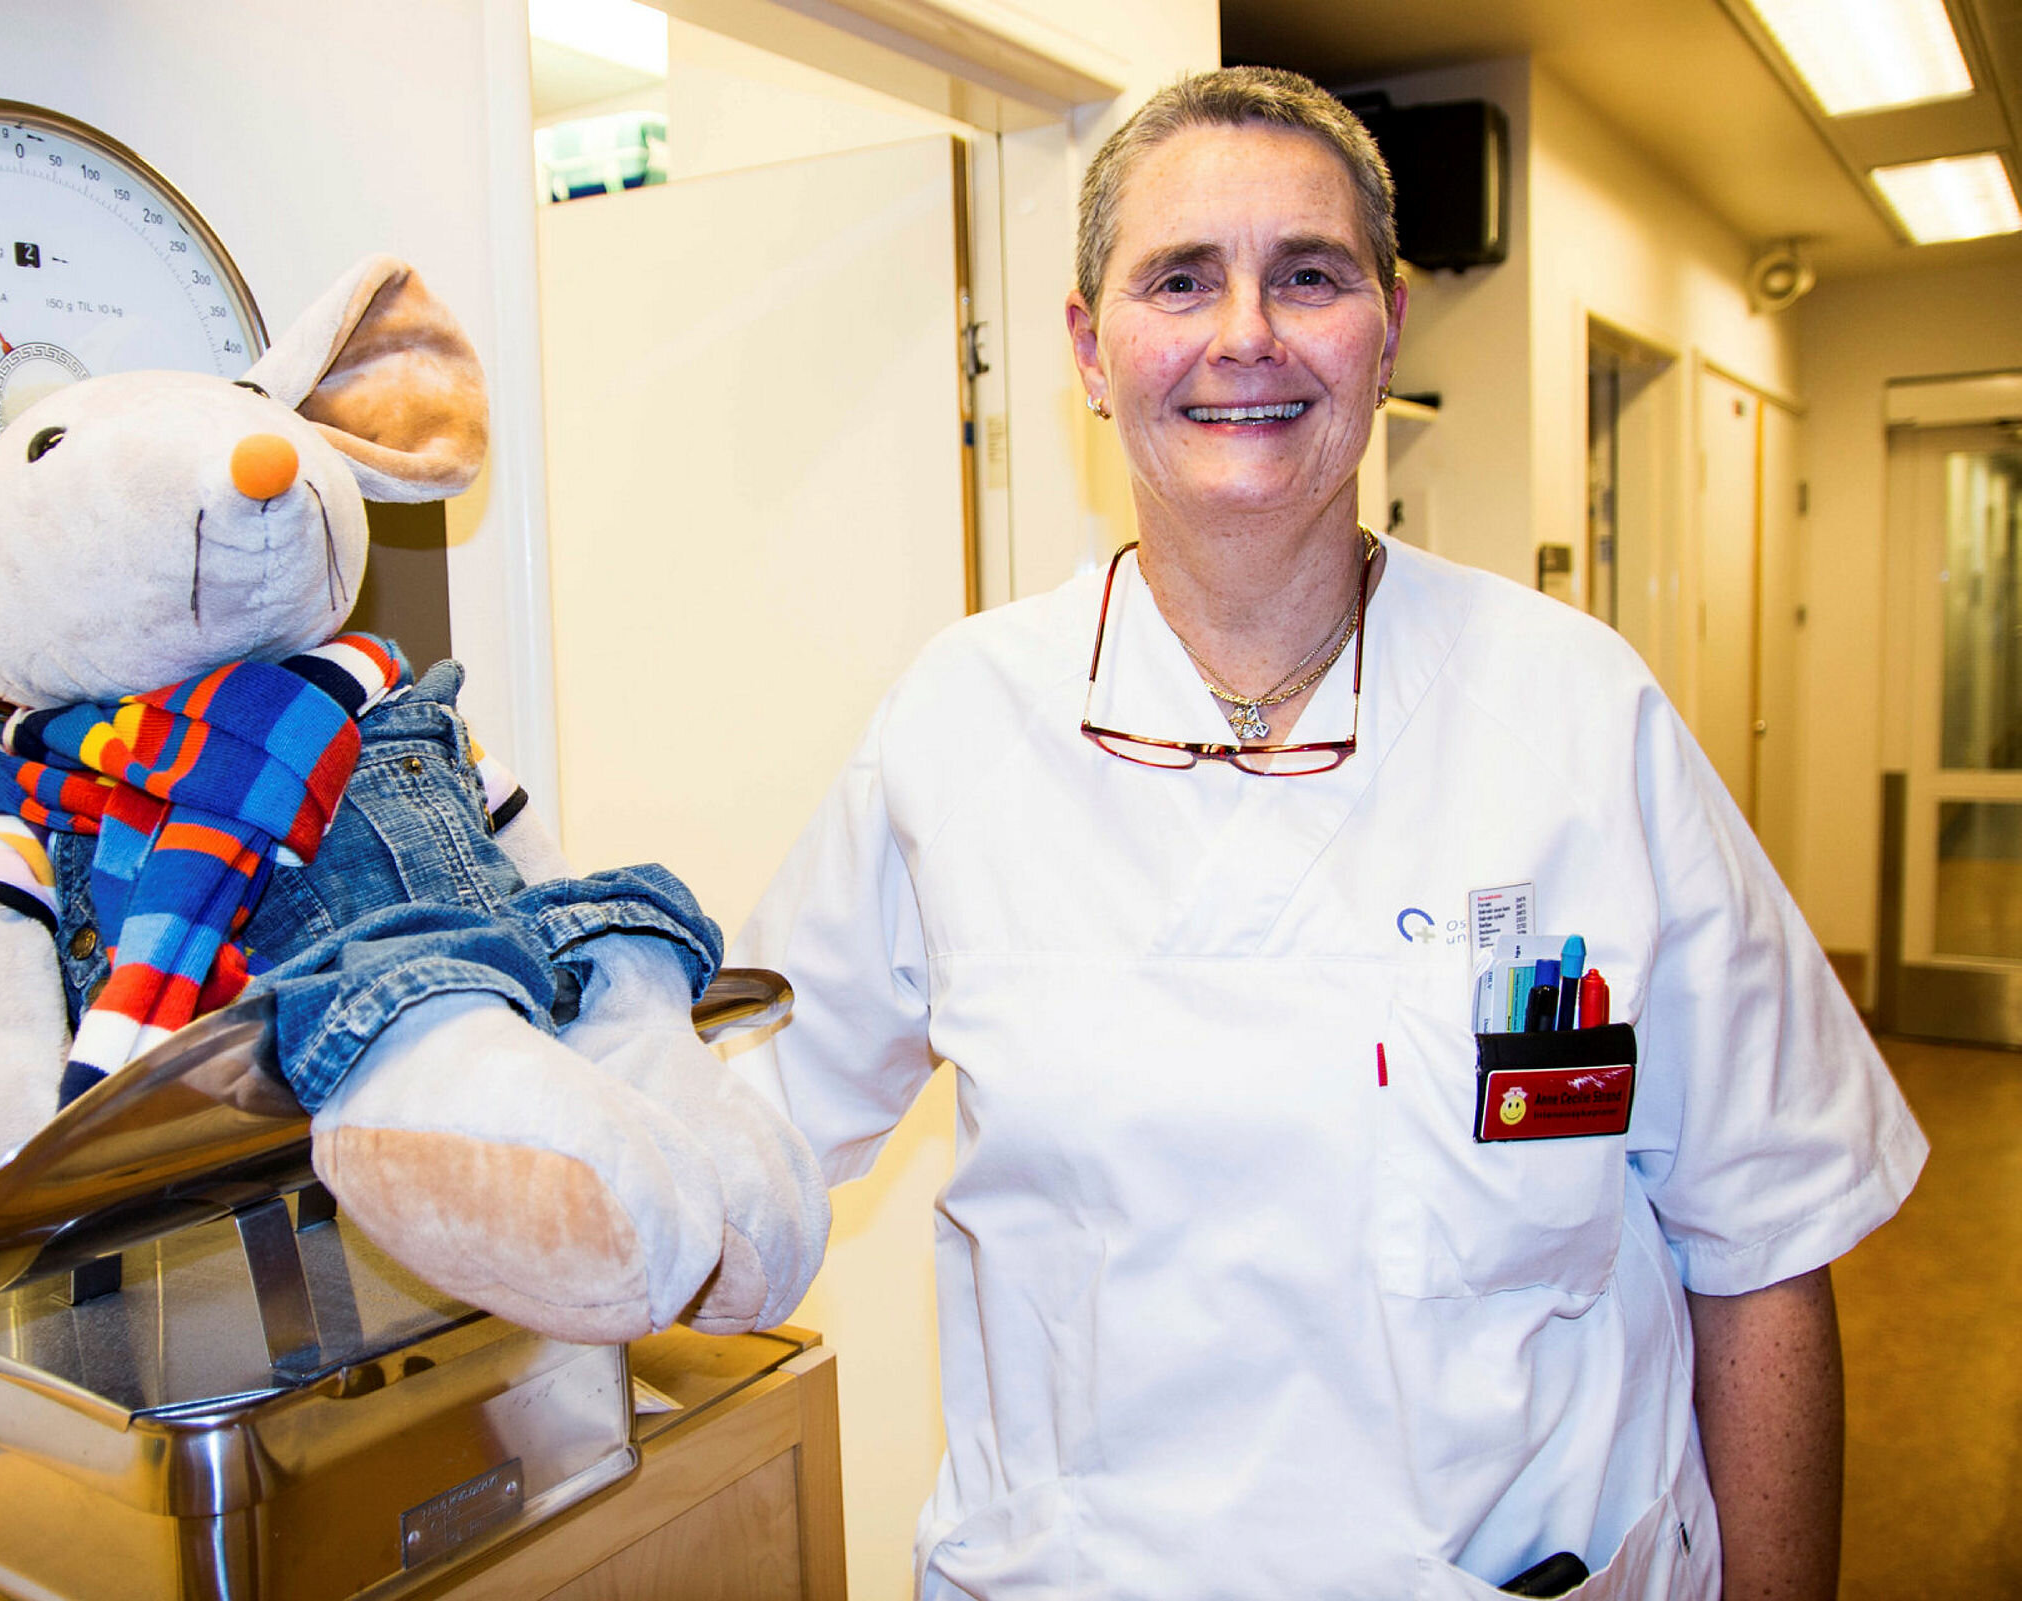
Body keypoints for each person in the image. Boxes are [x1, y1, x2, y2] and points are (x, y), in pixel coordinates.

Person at [732, 66, 1924, 1600]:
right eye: (1180, 279)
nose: (1247, 334)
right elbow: (748, 1132)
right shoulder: (958, 725)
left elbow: (1763, 1246)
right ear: (1090, 352)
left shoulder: (1579, 719)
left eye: (1309, 274)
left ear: (1386, 329)